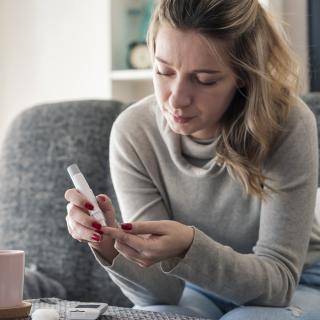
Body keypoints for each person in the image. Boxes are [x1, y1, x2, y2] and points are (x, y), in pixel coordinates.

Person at [64, 0, 320, 319]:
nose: (176, 98)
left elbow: (278, 283)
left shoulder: (287, 124)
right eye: (163, 70)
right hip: (196, 287)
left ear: (242, 75)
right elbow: (160, 293)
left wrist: (189, 248)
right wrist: (108, 244)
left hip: (299, 282)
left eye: (204, 79)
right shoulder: (135, 131)